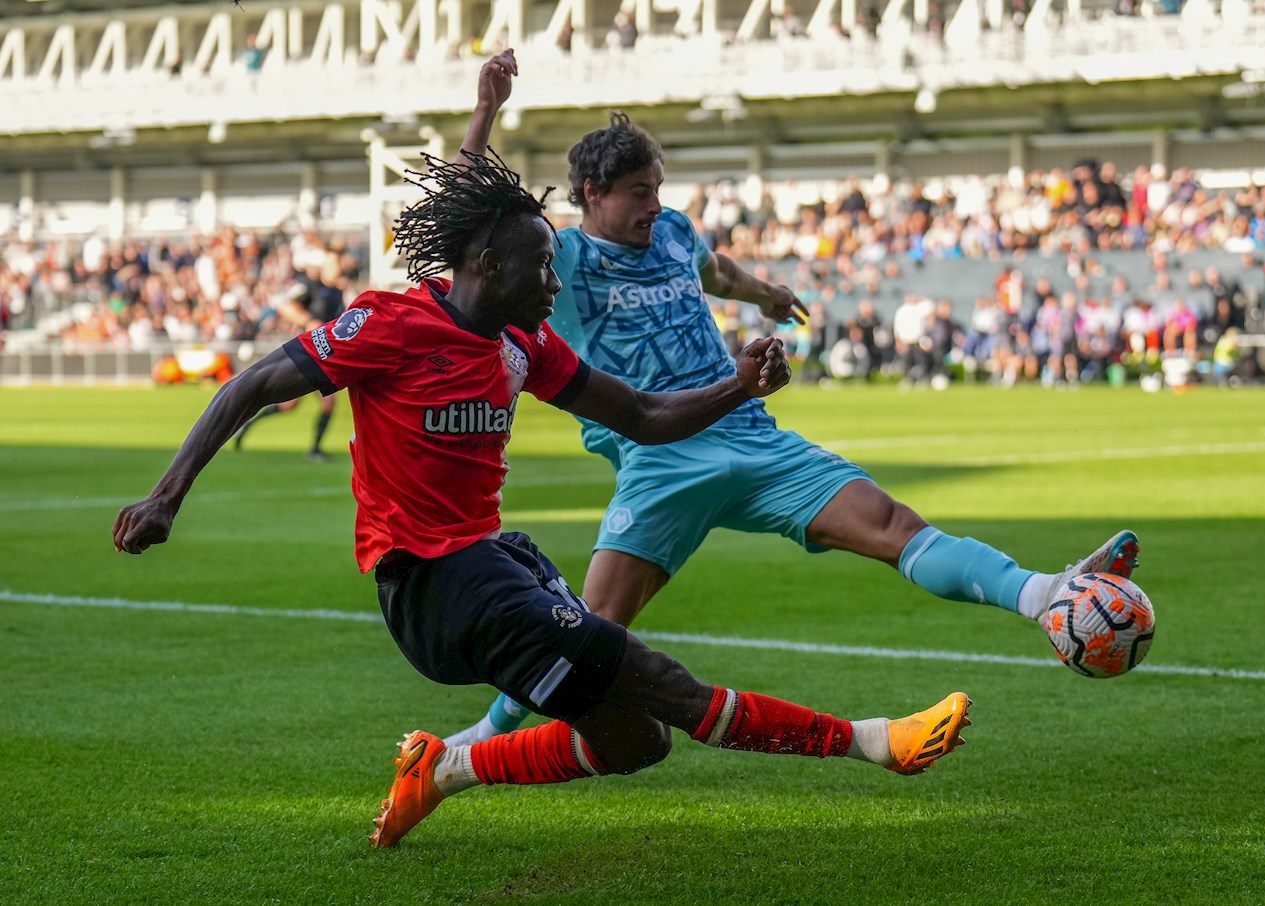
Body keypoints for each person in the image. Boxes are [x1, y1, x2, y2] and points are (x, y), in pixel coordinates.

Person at [110, 97, 973, 849]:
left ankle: (445, 767)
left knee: (636, 743)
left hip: (491, 562)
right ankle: (873, 741)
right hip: (433, 586)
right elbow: (253, 384)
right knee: (661, 683)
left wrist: (737, 385)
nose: (555, 281)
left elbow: (640, 417)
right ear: (486, 266)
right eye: (541, 265)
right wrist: (165, 495)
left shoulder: (523, 342)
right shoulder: (391, 328)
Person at [448, 50, 1140, 747]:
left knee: (894, 524)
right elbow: (468, 220)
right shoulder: (562, 257)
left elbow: (714, 271)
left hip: (751, 435)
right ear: (593, 191)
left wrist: (766, 295)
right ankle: (471, 742)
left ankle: (1049, 597)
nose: (653, 206)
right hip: (660, 458)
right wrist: (486, 111)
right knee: (587, 631)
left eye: (657, 188)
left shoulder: (675, 232)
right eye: (637, 191)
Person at [232, 263, 347, 460]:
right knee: (290, 406)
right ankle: (248, 424)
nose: (337, 268)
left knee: (324, 404)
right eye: (333, 263)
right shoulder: (310, 286)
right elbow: (286, 307)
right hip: (307, 351)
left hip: (325, 355)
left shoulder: (337, 293)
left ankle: (315, 449)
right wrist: (308, 320)